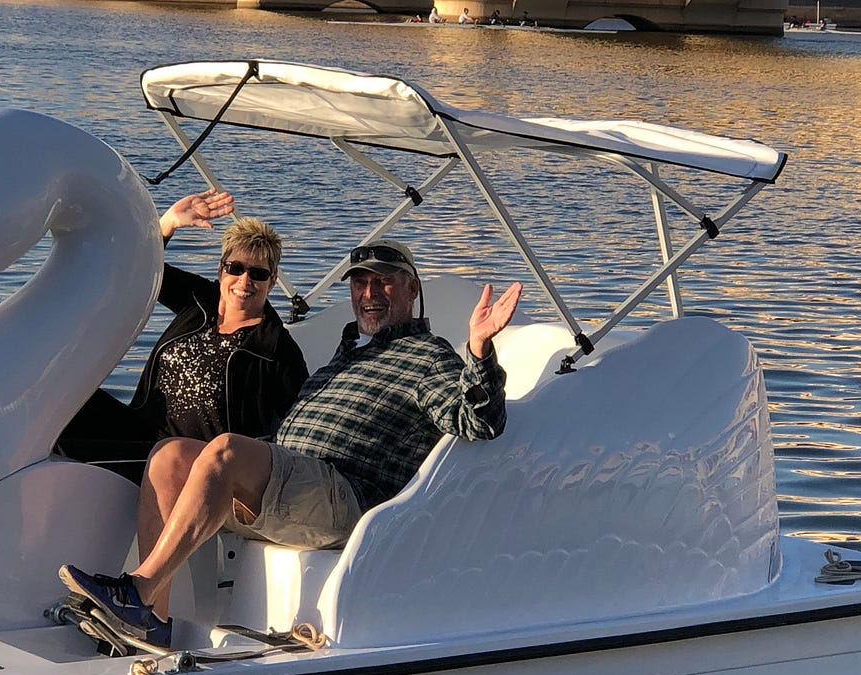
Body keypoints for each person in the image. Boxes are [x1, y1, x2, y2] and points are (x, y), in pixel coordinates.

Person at [59, 240, 523, 648]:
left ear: (411, 289)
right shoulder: (342, 358)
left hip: (347, 497)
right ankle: (150, 622)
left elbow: (478, 422)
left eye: (385, 282)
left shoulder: (427, 355)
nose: (370, 294)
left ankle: (136, 590)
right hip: (296, 484)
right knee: (171, 454)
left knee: (226, 450)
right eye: (360, 283)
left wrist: (479, 349)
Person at [56, 191, 308, 484]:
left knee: (78, 455)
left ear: (273, 280)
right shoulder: (201, 301)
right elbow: (138, 270)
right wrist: (167, 223)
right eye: (235, 268)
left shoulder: (275, 348)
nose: (244, 281)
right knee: (59, 395)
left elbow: (297, 422)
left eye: (258, 274)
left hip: (191, 464)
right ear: (221, 269)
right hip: (142, 431)